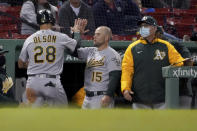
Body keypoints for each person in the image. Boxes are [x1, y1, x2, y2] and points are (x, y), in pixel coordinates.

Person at [18, 9, 86, 107]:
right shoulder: (60, 37)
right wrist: (77, 32)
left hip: (32, 83)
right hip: (51, 82)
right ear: (52, 21)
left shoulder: (29, 39)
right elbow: (77, 47)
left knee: (32, 117)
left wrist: (34, 65)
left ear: (38, 21)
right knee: (62, 114)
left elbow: (20, 64)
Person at [121, 16, 185, 109]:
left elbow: (179, 64)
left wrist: (186, 63)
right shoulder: (132, 48)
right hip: (139, 99)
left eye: (146, 26)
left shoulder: (166, 46)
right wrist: (125, 89)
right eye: (142, 26)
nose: (143, 28)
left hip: (163, 98)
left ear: (155, 28)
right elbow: (127, 71)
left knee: (162, 124)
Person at [75, 26, 121, 109]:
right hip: (87, 97)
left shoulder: (112, 54)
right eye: (94, 34)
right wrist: (78, 34)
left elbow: (114, 76)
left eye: (98, 34)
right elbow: (72, 50)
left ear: (106, 37)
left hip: (101, 97)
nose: (94, 36)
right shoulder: (90, 51)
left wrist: (108, 95)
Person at [156, 26, 193, 109]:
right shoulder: (150, 47)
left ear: (159, 34)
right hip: (161, 92)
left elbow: (189, 62)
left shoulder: (175, 44)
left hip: (182, 90)